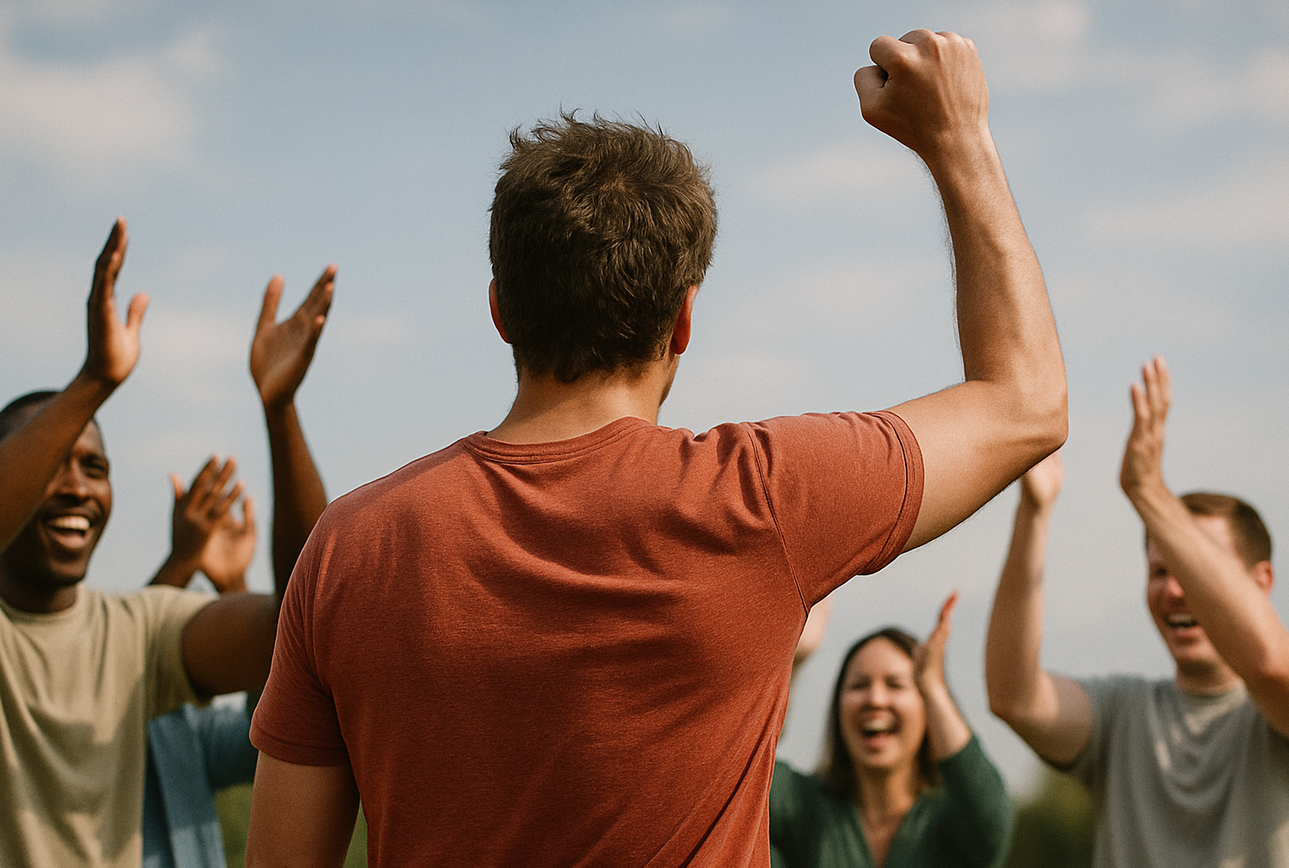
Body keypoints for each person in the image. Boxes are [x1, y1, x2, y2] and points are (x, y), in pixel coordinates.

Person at [247, 29, 1067, 867]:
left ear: (500, 309)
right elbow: (1026, 404)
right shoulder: (761, 497)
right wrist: (958, 135)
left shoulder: (347, 547)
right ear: (682, 319)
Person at [0, 218, 310, 868]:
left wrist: (280, 414)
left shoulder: (136, 631)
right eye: (53, 461)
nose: (77, 489)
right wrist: (92, 384)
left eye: (95, 467)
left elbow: (307, 623)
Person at [985, 357, 1289, 867]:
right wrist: (1033, 512)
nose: (1174, 590)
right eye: (1159, 571)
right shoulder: (1124, 713)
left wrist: (1149, 492)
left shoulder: (1270, 716)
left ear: (1261, 583)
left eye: (1195, 570)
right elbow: (1015, 697)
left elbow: (1269, 664)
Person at [141, 272, 333, 868]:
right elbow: (109, 664)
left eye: (93, 467)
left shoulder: (176, 732)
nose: (75, 488)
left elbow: (278, 709)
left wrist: (233, 588)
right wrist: (179, 563)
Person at [771, 594, 1012, 868]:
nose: (875, 699)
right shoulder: (801, 804)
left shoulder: (946, 822)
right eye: (858, 685)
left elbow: (990, 821)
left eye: (895, 685)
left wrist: (932, 686)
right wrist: (793, 661)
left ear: (928, 713)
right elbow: (736, 776)